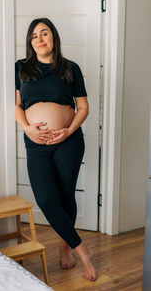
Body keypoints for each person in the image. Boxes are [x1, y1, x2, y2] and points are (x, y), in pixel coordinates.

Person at [15, 17, 96, 281]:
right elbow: (17, 107)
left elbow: (82, 107)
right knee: (48, 200)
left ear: (54, 37)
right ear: (30, 42)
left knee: (65, 196)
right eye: (34, 36)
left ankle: (66, 248)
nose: (39, 39)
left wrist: (68, 130)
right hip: (36, 144)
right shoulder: (21, 68)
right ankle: (84, 251)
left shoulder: (70, 68)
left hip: (69, 142)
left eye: (44, 33)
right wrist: (27, 128)